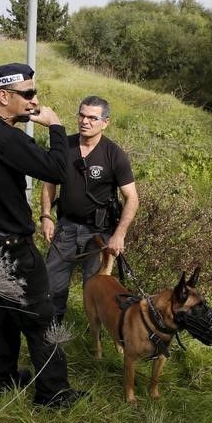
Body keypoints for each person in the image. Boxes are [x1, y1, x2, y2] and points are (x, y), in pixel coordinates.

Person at [0, 62, 84, 408]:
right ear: (3, 96)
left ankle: (1, 379)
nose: (34, 101)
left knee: (2, 314)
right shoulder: (6, 137)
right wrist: (55, 126)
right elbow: (57, 170)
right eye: (28, 94)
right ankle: (54, 394)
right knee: (41, 318)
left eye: (35, 93)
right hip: (12, 245)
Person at [40, 95, 139, 322]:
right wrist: (46, 216)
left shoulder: (114, 154)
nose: (85, 121)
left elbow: (132, 198)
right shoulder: (65, 145)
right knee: (52, 285)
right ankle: (52, 334)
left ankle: (94, 338)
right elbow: (49, 182)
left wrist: (119, 235)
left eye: (92, 118)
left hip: (98, 234)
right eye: (82, 115)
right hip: (65, 228)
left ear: (105, 122)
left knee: (95, 290)